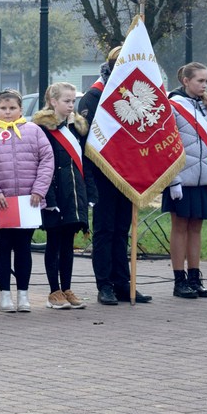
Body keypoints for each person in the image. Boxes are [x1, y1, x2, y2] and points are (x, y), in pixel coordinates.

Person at [78, 48, 154, 305]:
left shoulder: (134, 93)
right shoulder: (94, 96)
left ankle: (123, 283)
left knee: (123, 230)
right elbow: (85, 141)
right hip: (103, 173)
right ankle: (105, 285)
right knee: (105, 230)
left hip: (128, 171)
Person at [0, 89, 54, 313]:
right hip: (1, 203)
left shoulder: (35, 132)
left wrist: (39, 189)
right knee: (2, 247)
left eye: (12, 108)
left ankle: (23, 295)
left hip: (28, 202)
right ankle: (4, 296)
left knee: (23, 248)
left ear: (21, 109)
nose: (8, 112)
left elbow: (47, 160)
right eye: (3, 108)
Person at [164, 62, 207, 299]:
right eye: (200, 81)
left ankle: (194, 277)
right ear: (186, 81)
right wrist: (173, 181)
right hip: (182, 180)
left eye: (206, 81)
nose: (204, 85)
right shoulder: (172, 106)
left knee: (196, 228)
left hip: (205, 178)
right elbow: (167, 147)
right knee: (180, 227)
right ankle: (179, 280)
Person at [33, 82, 96, 310]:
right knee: (54, 243)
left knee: (68, 244)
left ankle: (67, 288)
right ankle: (54, 291)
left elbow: (84, 164)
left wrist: (89, 192)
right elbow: (42, 165)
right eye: (66, 101)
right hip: (55, 194)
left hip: (74, 193)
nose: (71, 106)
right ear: (53, 102)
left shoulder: (77, 129)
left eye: (73, 102)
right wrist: (47, 197)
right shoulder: (42, 129)